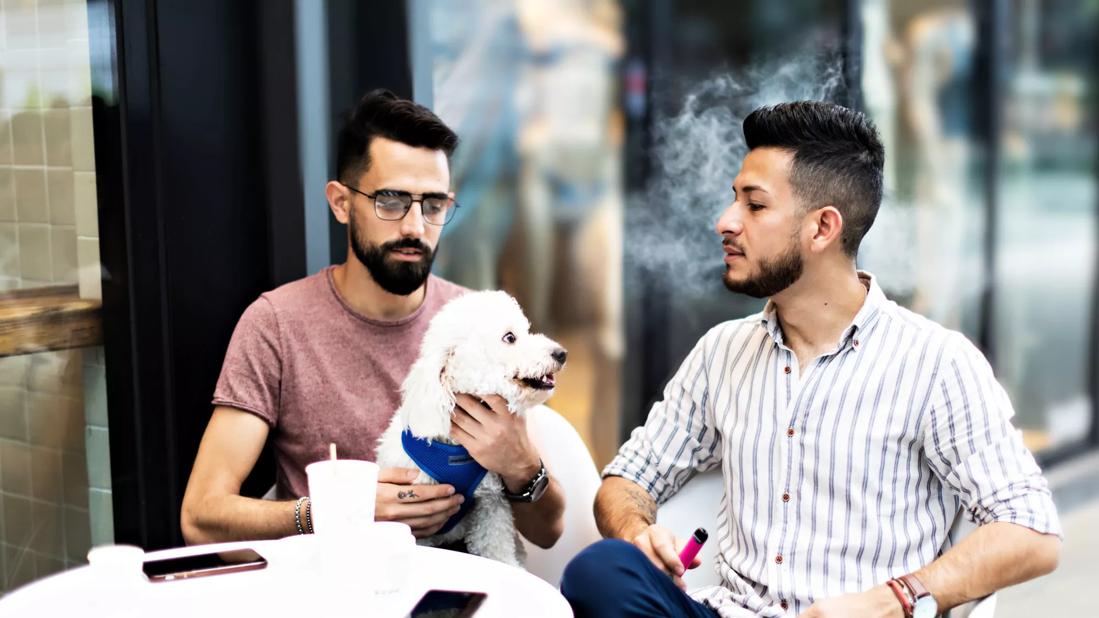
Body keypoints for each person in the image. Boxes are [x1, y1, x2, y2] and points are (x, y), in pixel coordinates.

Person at [561, 101, 1060, 617]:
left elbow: (1033, 531)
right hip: (727, 611)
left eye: (754, 206)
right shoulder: (722, 351)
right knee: (601, 570)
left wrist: (898, 598)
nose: (725, 222)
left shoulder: (937, 363)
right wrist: (638, 533)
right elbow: (627, 479)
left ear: (823, 228)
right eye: (734, 200)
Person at [181, 90, 564, 550]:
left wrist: (522, 466)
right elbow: (201, 516)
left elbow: (550, 532)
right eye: (390, 200)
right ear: (341, 203)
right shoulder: (276, 325)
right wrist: (335, 512)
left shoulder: (479, 327)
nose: (414, 226)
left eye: (433, 205)